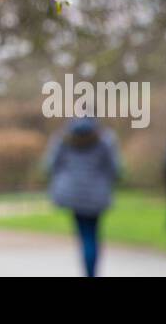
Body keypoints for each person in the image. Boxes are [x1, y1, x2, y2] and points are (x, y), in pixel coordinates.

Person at [44, 117, 121, 276]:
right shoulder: (105, 139)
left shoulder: (63, 139)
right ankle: (91, 271)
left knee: (85, 235)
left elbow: (51, 164)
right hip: (97, 194)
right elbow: (114, 168)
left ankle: (88, 270)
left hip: (73, 194)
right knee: (92, 234)